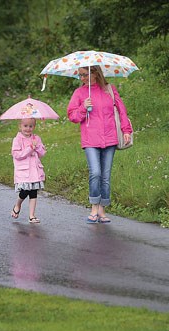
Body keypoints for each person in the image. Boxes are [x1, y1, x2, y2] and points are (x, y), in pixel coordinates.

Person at [67, 65, 133, 224]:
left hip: (110, 138)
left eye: (84, 75)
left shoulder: (110, 90)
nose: (81, 78)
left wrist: (126, 130)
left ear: (95, 73)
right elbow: (72, 116)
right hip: (90, 139)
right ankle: (94, 207)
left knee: (105, 176)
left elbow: (121, 111)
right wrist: (83, 108)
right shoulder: (80, 93)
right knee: (95, 172)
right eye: (80, 75)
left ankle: (102, 210)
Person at [10, 117, 46, 223]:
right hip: (24, 171)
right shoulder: (17, 140)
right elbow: (17, 155)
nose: (28, 128)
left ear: (34, 127)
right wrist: (30, 148)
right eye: (25, 126)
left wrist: (37, 147)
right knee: (25, 191)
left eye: (31, 126)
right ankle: (18, 204)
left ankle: (32, 216)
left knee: (33, 192)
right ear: (20, 126)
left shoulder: (36, 138)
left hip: (35, 170)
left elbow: (42, 153)